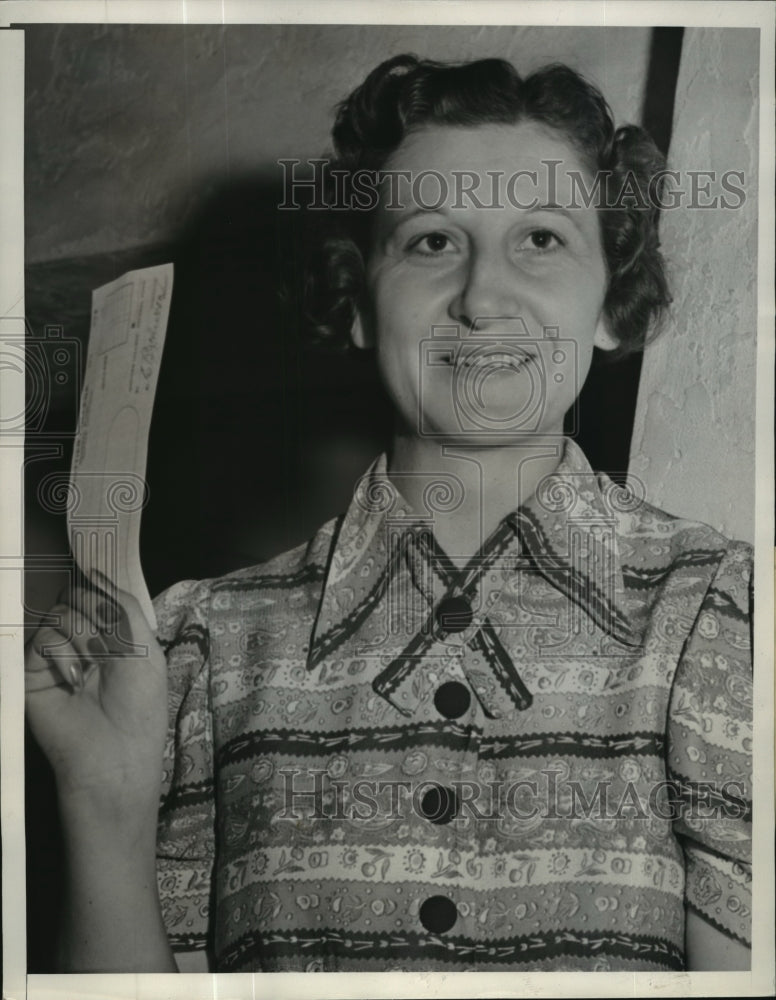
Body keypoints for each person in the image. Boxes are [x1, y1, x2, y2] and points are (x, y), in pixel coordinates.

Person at [25, 55, 753, 974]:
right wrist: (103, 800)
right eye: (430, 242)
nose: (484, 299)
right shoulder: (195, 643)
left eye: (541, 239)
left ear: (612, 301)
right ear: (361, 301)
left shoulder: (716, 614)